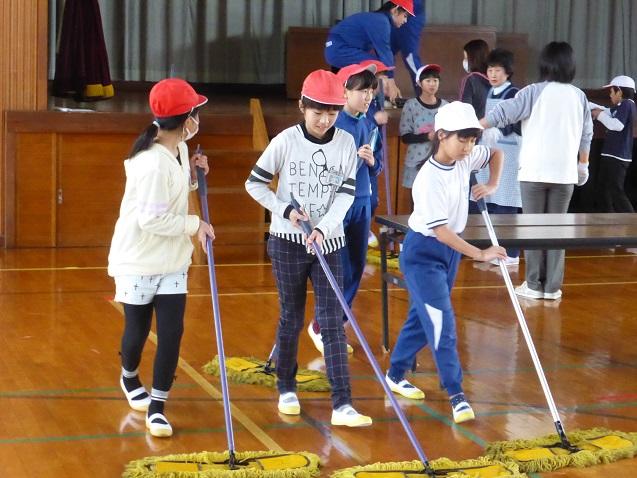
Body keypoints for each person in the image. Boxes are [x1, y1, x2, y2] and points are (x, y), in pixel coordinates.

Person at [245, 69, 372, 427]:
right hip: (287, 242)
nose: (324, 120)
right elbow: (254, 184)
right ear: (302, 106)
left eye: (331, 112)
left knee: (332, 322)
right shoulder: (285, 141)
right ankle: (286, 387)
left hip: (329, 242)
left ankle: (343, 404)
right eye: (318, 112)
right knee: (292, 316)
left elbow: (346, 194)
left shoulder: (346, 142)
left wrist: (323, 228)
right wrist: (285, 210)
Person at [385, 101, 505, 423]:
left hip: (449, 254)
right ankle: (456, 393)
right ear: (441, 135)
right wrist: (479, 254)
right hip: (423, 254)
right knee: (442, 322)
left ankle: (395, 373)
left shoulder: (465, 158)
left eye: (472, 140)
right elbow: (441, 232)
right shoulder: (428, 179)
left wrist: (492, 184)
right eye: (462, 139)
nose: (468, 147)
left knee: (423, 317)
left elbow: (496, 154)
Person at [108, 78, 214, 438]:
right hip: (139, 260)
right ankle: (129, 376)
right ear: (186, 120)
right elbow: (151, 220)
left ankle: (157, 406)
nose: (198, 120)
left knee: (171, 333)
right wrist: (196, 224)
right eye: (196, 113)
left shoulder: (178, 148)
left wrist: (194, 173)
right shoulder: (151, 162)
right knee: (137, 331)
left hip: (172, 260)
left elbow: (175, 192)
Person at [481, 41, 594, 300]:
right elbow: (586, 135)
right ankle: (552, 287)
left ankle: (533, 284)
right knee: (557, 231)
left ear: (544, 64)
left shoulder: (533, 91)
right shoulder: (579, 96)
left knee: (533, 229)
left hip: (533, 173)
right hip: (564, 175)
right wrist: (583, 165)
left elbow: (503, 113)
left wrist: (474, 125)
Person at [307, 63, 381, 355]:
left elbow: (377, 166)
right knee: (337, 269)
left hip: (362, 202)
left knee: (357, 267)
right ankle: (321, 325)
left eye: (371, 90)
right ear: (345, 92)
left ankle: (333, 323)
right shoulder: (333, 126)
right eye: (362, 90)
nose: (368, 96)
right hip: (337, 204)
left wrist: (372, 162)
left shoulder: (369, 124)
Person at [472, 48, 522, 265]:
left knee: (506, 204)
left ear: (508, 72)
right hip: (490, 151)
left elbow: (516, 121)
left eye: (497, 70)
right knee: (490, 201)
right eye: (490, 70)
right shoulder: (490, 92)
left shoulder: (514, 93)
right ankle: (493, 249)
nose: (492, 74)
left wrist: (500, 130)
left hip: (509, 154)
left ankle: (511, 254)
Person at [324, 1, 415, 102]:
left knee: (378, 66)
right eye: (405, 16)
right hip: (338, 49)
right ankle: (378, 102)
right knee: (377, 66)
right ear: (395, 10)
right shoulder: (381, 21)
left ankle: (370, 101)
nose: (405, 20)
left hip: (336, 49)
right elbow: (385, 52)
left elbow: (383, 54)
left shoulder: (377, 19)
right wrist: (391, 80)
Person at [399, 64, 448, 199]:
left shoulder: (446, 106)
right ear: (419, 83)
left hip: (439, 162)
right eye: (428, 80)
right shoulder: (411, 105)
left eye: (435, 80)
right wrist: (427, 136)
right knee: (416, 202)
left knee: (436, 200)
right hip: (416, 161)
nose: (432, 84)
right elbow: (405, 137)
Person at [591, 75, 636, 212]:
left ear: (619, 91)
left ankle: (631, 219)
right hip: (611, 154)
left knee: (615, 190)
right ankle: (609, 217)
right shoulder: (620, 106)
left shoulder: (627, 104)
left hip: (617, 156)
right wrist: (588, 104)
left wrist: (599, 115)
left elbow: (617, 125)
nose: (610, 95)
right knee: (604, 189)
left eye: (611, 91)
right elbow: (606, 110)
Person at [390, 0, 427, 94]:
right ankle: (384, 94)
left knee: (410, 58)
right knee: (384, 55)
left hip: (410, 15)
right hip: (396, 12)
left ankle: (425, 95)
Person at [458, 39, 491, 119]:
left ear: (473, 59)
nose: (464, 61)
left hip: (475, 125)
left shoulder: (470, 80)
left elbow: (464, 110)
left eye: (466, 58)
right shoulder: (497, 79)